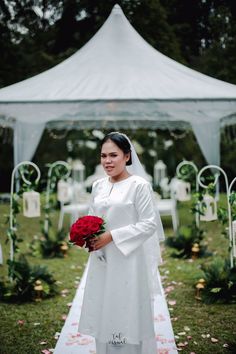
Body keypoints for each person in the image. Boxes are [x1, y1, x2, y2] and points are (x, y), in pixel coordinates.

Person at [78, 131, 165, 354]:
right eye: (103, 156)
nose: (107, 161)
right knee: (103, 305)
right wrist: (86, 235)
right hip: (101, 259)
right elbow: (91, 216)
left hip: (129, 259)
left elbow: (149, 224)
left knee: (125, 305)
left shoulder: (139, 185)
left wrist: (112, 236)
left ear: (127, 156)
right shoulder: (98, 185)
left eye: (113, 155)